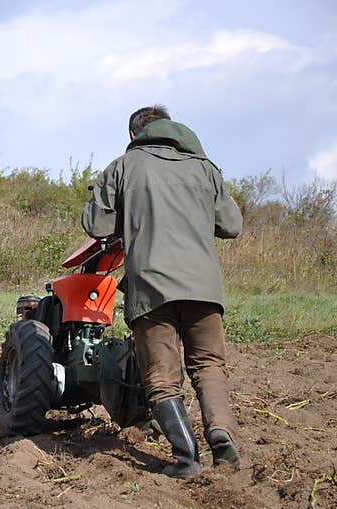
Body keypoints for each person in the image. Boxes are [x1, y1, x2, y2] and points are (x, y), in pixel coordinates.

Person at [81, 105, 243, 479]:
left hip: (151, 287)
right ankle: (220, 434)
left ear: (133, 136)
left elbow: (96, 224)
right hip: (203, 287)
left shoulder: (123, 166)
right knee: (208, 365)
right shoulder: (205, 168)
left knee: (161, 377)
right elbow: (232, 225)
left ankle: (187, 459)